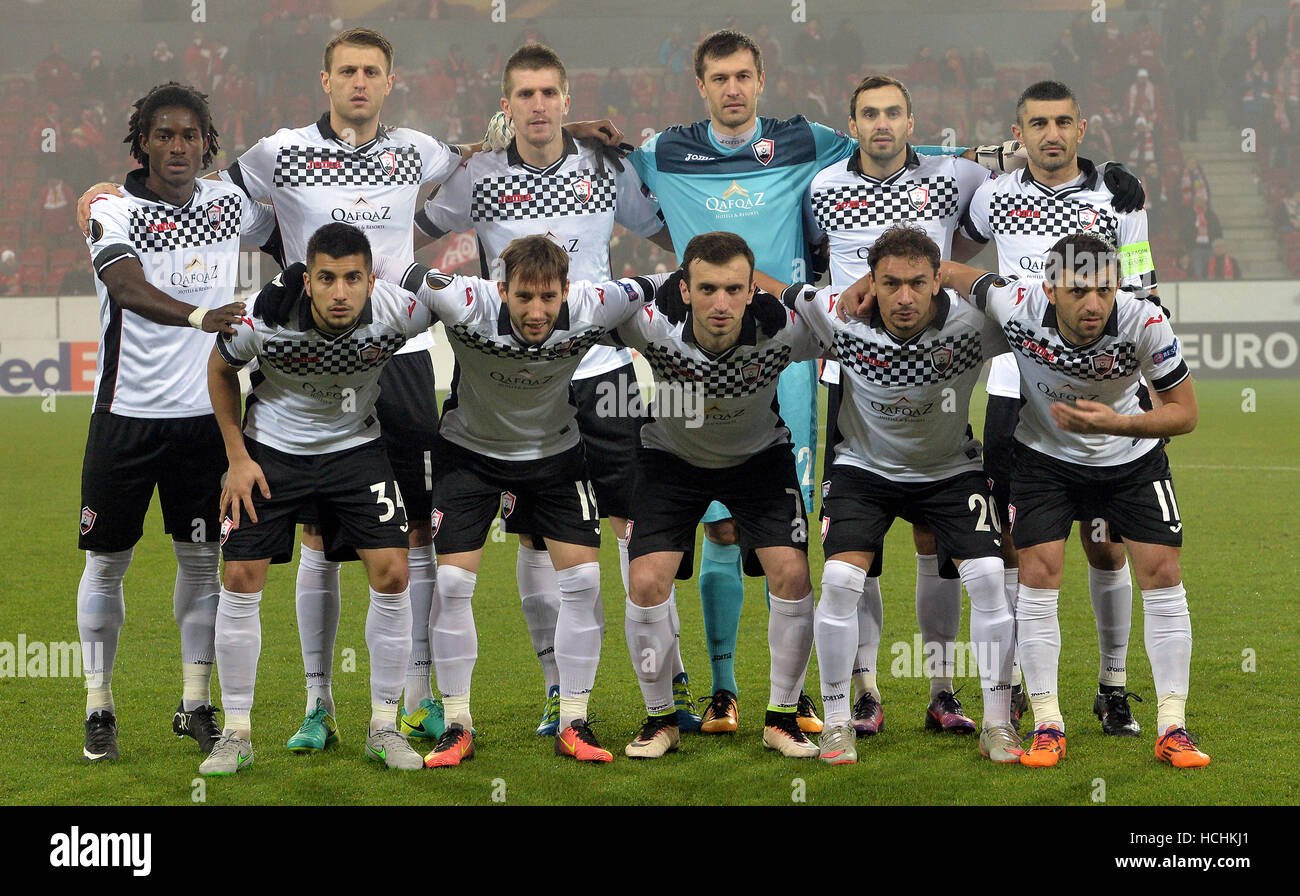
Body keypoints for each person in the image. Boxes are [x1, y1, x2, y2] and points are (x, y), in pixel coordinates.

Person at [76, 28, 466, 755]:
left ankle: (417, 699)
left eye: (371, 71)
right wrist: (101, 192)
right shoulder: (276, 153)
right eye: (345, 70)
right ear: (326, 80)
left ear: (389, 80)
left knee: (412, 531)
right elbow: (252, 222)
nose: (358, 81)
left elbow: (484, 152)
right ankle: (317, 702)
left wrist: (562, 128)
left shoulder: (417, 146)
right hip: (297, 365)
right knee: (312, 532)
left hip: (399, 350)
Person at [412, 44, 702, 735]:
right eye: (525, 94)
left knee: (642, 531)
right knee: (540, 543)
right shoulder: (477, 175)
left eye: (550, 93)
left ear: (567, 101)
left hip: (604, 376)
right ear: (505, 105)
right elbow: (409, 229)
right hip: (516, 389)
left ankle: (670, 683)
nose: (539, 105)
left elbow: (671, 230)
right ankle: (556, 693)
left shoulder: (605, 166)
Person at [391, 234, 669, 767]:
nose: (537, 311)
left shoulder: (592, 304)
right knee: (451, 583)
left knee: (585, 580)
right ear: (502, 290)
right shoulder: (465, 301)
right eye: (523, 298)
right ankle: (457, 724)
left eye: (548, 298)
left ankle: (574, 720)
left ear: (567, 291)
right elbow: (403, 276)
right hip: (468, 454)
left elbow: (660, 285)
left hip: (555, 455)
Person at [940, 234, 1209, 769]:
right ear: (1049, 288)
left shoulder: (1144, 321)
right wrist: (862, 287)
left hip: (1132, 457)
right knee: (1039, 572)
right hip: (1045, 458)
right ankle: (1047, 724)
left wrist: (1123, 422)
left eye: (1104, 290)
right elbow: (952, 272)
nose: (1093, 305)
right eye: (1079, 290)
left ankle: (1172, 726)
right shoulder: (1016, 303)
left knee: (1162, 571)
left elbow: (1185, 413)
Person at [760, 225, 1019, 765]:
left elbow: (1034, 305)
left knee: (991, 576)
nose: (904, 297)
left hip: (949, 470)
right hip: (864, 470)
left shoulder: (974, 321)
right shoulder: (842, 314)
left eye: (917, 283)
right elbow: (769, 288)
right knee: (838, 579)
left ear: (938, 281)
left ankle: (997, 724)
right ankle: (836, 724)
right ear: (869, 283)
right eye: (890, 283)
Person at [78, 81, 275, 763]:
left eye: (189, 135)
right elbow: (123, 283)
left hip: (207, 421)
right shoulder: (112, 207)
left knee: (202, 559)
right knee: (108, 562)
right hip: (126, 416)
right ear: (142, 143)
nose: (177, 146)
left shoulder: (228, 202)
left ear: (205, 143)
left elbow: (293, 229)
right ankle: (98, 705)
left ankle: (195, 703)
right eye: (163, 134)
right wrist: (199, 316)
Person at [203, 223, 441, 775]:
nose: (340, 292)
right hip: (273, 452)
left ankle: (384, 727)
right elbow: (219, 370)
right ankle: (236, 733)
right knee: (240, 577)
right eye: (327, 279)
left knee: (392, 572)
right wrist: (238, 460)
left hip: (355, 447)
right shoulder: (264, 318)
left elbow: (466, 315)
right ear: (307, 281)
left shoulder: (400, 311)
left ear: (370, 279)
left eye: (352, 278)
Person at [958, 80, 1157, 735]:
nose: (1050, 133)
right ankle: (1018, 686)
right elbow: (948, 247)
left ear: (1082, 127)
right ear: (1020, 131)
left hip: (1099, 395)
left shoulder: (1118, 197)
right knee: (1017, 548)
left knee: (1107, 547)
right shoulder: (995, 196)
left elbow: (1145, 293)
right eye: (1037, 123)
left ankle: (1113, 688)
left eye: (1062, 122)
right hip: (1015, 394)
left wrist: (1145, 388)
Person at [804, 74, 994, 737]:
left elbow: (964, 249)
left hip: (933, 372)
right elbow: (812, 270)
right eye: (868, 114)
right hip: (854, 377)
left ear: (912, 122)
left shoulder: (951, 177)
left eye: (892, 113)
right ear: (850, 123)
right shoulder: (823, 188)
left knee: (936, 536)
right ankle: (866, 692)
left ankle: (941, 689)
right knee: (858, 547)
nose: (881, 123)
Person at [614, 232, 822, 760]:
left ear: (753, 290)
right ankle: (660, 719)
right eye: (707, 289)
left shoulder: (783, 329)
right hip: (671, 461)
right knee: (644, 581)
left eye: (734, 288)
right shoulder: (650, 322)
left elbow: (853, 328)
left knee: (793, 574)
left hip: (758, 459)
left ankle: (781, 715)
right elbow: (577, 314)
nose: (721, 303)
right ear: (684, 289)